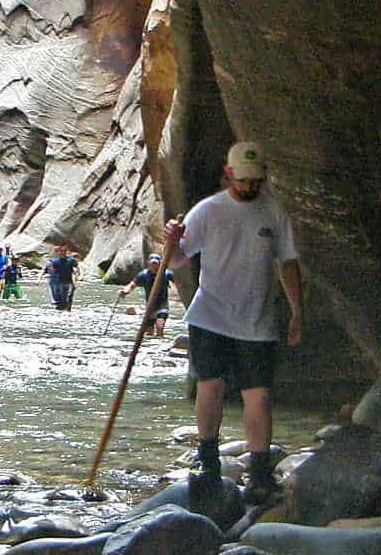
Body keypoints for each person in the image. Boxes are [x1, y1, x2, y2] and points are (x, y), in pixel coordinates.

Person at [163, 139, 303, 506]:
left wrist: (297, 310)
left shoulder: (274, 214)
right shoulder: (208, 212)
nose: (249, 187)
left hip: (257, 320)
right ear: (228, 175)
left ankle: (259, 473)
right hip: (210, 315)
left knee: (259, 395)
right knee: (210, 386)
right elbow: (177, 260)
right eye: (243, 180)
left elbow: (287, 263)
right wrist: (170, 242)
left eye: (256, 180)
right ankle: (207, 457)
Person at [118, 253, 175, 337]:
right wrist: (125, 291)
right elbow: (132, 285)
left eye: (156, 263)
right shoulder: (143, 275)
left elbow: (179, 284)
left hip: (162, 305)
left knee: (160, 326)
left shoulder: (167, 274)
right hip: (150, 307)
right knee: (149, 333)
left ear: (160, 263)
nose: (154, 265)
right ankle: (151, 346)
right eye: (152, 263)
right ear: (148, 263)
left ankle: (160, 344)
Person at [45, 245, 76, 311]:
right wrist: (50, 267)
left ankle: (65, 310)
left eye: (64, 251)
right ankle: (61, 310)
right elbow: (51, 271)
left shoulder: (70, 260)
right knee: (57, 298)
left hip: (67, 281)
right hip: (57, 281)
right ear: (58, 252)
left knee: (65, 298)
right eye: (61, 251)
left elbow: (75, 269)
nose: (62, 252)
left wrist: (76, 279)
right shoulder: (54, 261)